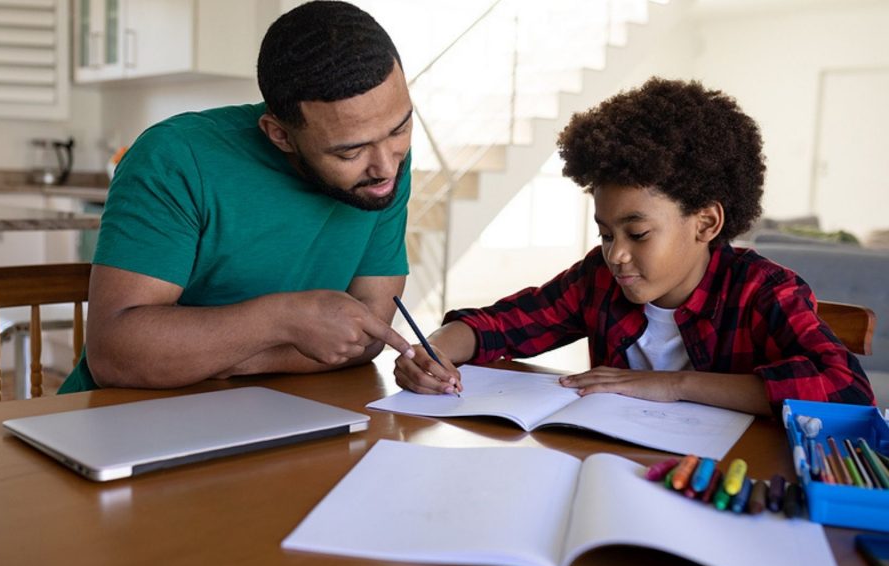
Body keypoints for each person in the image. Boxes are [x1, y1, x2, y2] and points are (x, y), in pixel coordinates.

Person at [393, 77, 874, 415]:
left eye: (637, 234)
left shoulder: (762, 291)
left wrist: (673, 386)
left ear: (705, 222)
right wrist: (435, 352)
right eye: (605, 233)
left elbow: (847, 390)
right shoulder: (598, 282)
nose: (616, 254)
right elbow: (499, 326)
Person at [60, 1, 416, 393]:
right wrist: (282, 319)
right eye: (349, 152)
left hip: (285, 411)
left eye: (400, 128)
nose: (385, 166)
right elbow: (115, 356)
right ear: (279, 134)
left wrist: (222, 360)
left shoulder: (382, 168)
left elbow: (365, 336)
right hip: (128, 418)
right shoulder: (174, 158)